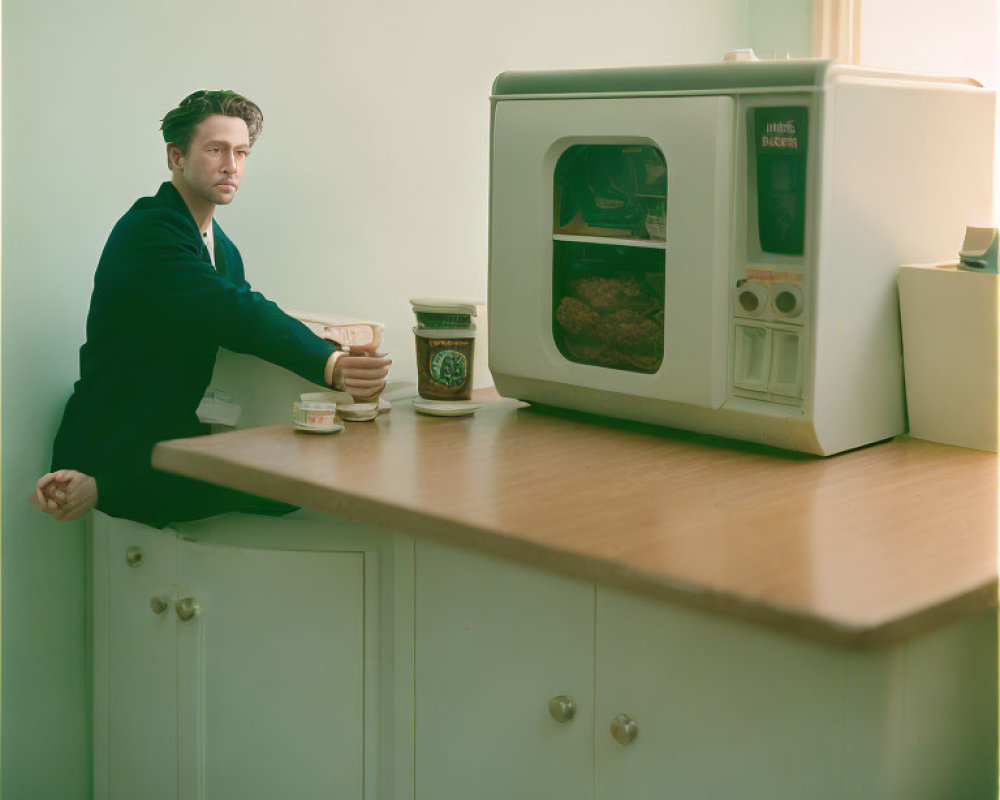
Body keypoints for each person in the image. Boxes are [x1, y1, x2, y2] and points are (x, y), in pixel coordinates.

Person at [28, 90, 391, 527]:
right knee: (297, 484)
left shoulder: (224, 251)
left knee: (306, 478)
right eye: (215, 149)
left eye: (241, 152)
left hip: (168, 441)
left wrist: (337, 349)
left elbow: (240, 321)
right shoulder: (150, 231)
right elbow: (235, 312)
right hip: (109, 453)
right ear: (176, 156)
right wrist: (330, 363)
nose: (231, 165)